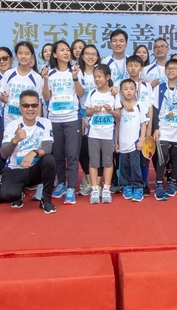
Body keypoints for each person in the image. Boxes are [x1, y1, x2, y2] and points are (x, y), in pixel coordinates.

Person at [0, 90, 57, 214]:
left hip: (34, 169)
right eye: (26, 105)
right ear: (20, 107)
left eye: (34, 105)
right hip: (15, 169)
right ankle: (19, 191)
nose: (30, 109)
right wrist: (15, 140)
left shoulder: (45, 123)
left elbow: (48, 148)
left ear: (38, 106)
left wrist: (33, 153)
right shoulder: (12, 126)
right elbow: (3, 154)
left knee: (49, 159)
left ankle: (46, 199)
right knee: (7, 195)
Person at [43, 40, 84, 204]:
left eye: (68, 50)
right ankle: (61, 183)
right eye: (62, 50)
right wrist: (45, 79)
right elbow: (46, 97)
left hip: (72, 119)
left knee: (72, 155)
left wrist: (75, 78)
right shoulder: (50, 73)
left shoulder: (75, 71)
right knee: (58, 155)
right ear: (55, 54)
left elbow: (80, 94)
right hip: (54, 120)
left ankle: (71, 188)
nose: (66, 53)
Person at [152, 58, 177, 200]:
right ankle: (159, 183)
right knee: (162, 156)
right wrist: (155, 128)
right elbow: (155, 109)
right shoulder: (159, 88)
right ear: (165, 71)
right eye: (168, 68)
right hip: (163, 127)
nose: (171, 70)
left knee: (175, 155)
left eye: (174, 68)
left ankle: (173, 182)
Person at [85, 64, 121, 204]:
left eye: (99, 76)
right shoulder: (92, 93)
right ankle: (95, 188)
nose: (97, 79)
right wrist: (93, 110)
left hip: (107, 134)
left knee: (107, 161)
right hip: (93, 133)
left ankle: (106, 188)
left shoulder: (114, 94)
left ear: (107, 77)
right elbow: (87, 112)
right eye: (95, 77)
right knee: (94, 162)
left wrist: (110, 110)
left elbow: (118, 114)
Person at [115, 78, 148, 202]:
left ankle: (138, 187)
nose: (129, 91)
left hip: (134, 143)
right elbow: (118, 125)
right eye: (125, 89)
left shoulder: (140, 105)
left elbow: (143, 124)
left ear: (136, 91)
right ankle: (126, 186)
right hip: (123, 143)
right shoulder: (120, 107)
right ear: (121, 92)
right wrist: (116, 142)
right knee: (123, 166)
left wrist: (142, 139)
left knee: (135, 166)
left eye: (131, 89)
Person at [125, 55, 153, 195]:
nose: (133, 68)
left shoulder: (146, 86)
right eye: (130, 65)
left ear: (141, 68)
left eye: (136, 65)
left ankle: (143, 183)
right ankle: (131, 182)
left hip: (144, 126)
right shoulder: (122, 84)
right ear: (126, 67)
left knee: (144, 158)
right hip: (128, 126)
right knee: (130, 157)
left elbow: (150, 107)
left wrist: (149, 129)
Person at [0, 42, 43, 127]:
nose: (23, 56)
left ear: (32, 56)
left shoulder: (37, 78)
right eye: (20, 53)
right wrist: (2, 98)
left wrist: (37, 123)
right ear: (16, 55)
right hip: (9, 119)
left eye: (27, 54)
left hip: (29, 121)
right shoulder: (8, 74)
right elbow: (3, 97)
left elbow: (39, 102)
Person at [77, 45, 101, 196]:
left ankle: (97, 183)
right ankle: (88, 180)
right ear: (82, 56)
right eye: (87, 53)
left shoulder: (101, 72)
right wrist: (80, 118)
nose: (90, 57)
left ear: (97, 57)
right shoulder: (77, 73)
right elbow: (74, 97)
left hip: (100, 118)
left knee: (100, 152)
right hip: (82, 118)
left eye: (93, 54)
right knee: (83, 150)